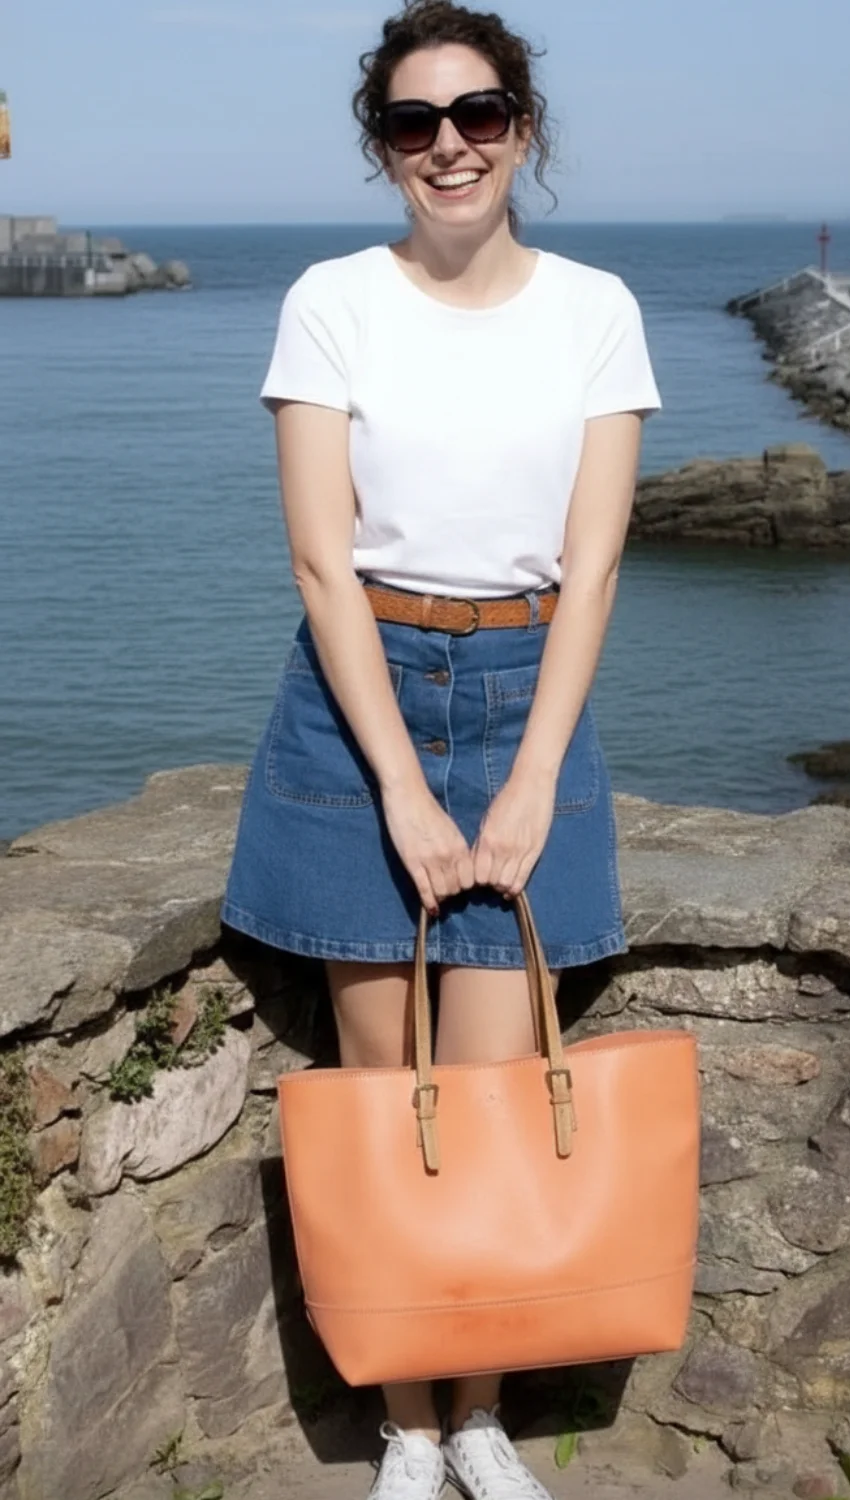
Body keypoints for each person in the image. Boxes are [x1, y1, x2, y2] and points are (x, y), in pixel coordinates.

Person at [221, 2, 661, 1495]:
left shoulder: (596, 309)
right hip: (363, 703)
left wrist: (531, 778)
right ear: (384, 147)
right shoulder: (333, 301)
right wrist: (403, 789)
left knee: (488, 1091)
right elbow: (320, 562)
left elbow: (593, 567)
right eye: (414, 123)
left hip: (530, 689)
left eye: (477, 114)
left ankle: (479, 1412)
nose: (449, 146)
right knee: (382, 1081)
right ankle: (410, 1425)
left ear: (521, 128)